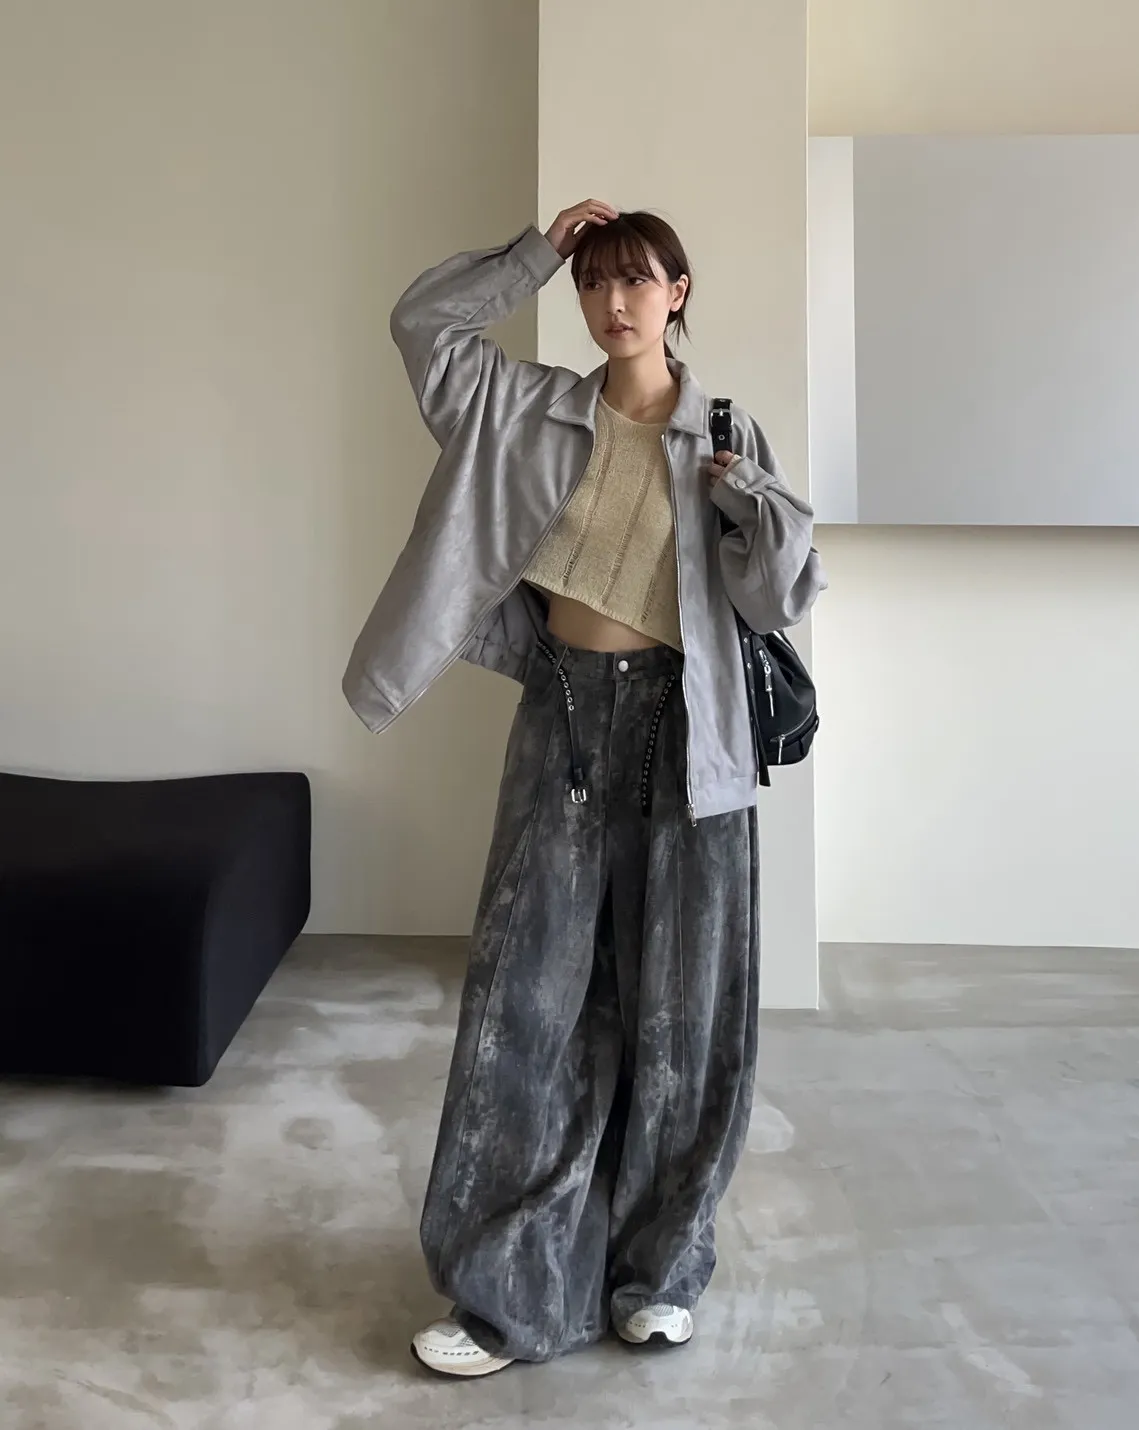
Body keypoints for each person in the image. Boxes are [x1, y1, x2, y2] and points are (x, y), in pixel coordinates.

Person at [342, 199, 826, 1378]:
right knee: (526, 1004)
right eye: (595, 280)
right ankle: (507, 1291)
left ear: (678, 293)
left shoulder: (723, 430)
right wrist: (532, 253)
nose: (615, 301)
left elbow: (777, 598)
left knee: (681, 1014)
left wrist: (750, 505)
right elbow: (421, 325)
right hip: (560, 716)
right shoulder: (526, 409)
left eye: (637, 280)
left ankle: (657, 1271)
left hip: (688, 732)